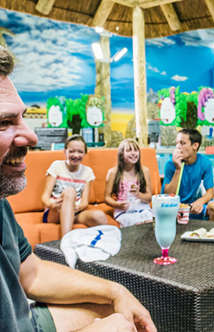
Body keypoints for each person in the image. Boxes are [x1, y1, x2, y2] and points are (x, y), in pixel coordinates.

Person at [0, 48, 156, 331]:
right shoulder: (57, 171)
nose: (32, 136)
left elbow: (32, 273)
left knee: (119, 308)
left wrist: (115, 290)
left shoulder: (0, 202)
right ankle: (65, 246)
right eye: (4, 123)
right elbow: (48, 197)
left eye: (21, 118)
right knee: (119, 325)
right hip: (57, 211)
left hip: (23, 317)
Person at [41, 134, 108, 236]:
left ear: (85, 153)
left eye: (80, 152)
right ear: (65, 151)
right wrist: (52, 204)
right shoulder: (56, 166)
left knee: (100, 216)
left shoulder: (88, 172)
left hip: (75, 212)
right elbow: (45, 197)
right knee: (70, 191)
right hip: (55, 211)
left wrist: (75, 208)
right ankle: (66, 240)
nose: (76, 155)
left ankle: (103, 247)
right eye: (72, 151)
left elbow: (84, 202)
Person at [162, 128, 214, 220]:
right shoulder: (170, 164)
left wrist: (200, 202)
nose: (178, 147)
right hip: (173, 208)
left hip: (193, 207)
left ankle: (212, 234)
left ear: (195, 145)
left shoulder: (205, 163)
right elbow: (167, 196)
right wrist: (178, 169)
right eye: (177, 143)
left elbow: (210, 192)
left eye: (182, 143)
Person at [105, 138, 153, 227]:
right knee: (135, 225)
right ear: (121, 154)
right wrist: (117, 204)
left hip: (142, 208)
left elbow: (149, 197)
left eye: (136, 150)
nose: (133, 153)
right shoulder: (113, 172)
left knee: (149, 223)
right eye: (129, 150)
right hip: (124, 211)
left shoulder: (145, 171)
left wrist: (138, 194)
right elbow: (107, 198)